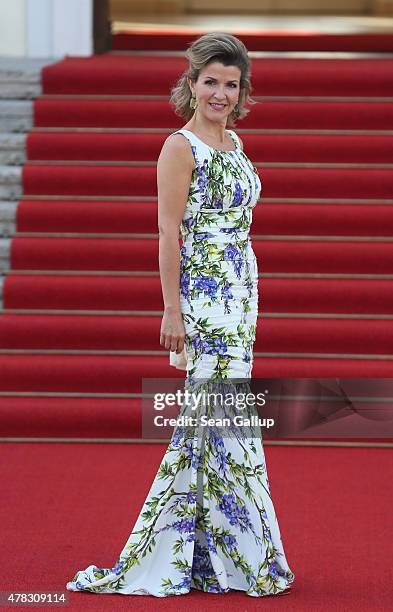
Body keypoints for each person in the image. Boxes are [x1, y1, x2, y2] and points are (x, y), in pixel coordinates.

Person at [65, 32, 295, 598]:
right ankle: (225, 555)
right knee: (218, 424)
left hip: (242, 296)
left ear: (241, 94)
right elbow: (170, 232)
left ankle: (211, 554)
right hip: (206, 300)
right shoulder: (180, 147)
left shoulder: (235, 142)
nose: (220, 93)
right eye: (210, 81)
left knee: (216, 425)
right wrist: (173, 309)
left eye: (231, 84)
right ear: (190, 84)